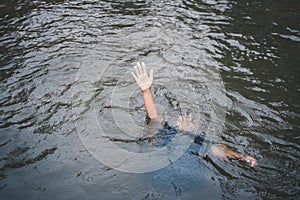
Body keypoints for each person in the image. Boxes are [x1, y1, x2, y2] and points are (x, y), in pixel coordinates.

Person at [131, 62, 257, 167]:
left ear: (196, 126)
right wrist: (146, 91)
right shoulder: (168, 132)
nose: (184, 121)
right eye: (182, 119)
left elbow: (219, 150)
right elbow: (154, 118)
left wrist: (241, 157)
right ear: (175, 123)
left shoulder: (199, 141)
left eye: (190, 121)